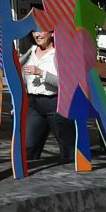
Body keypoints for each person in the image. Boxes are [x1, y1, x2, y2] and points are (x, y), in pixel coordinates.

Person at [20, 28, 73, 163]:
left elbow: (67, 83)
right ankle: (29, 179)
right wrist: (19, 103)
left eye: (41, 31)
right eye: (34, 31)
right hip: (34, 104)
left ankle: (75, 177)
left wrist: (42, 73)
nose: (37, 35)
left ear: (53, 33)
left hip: (55, 104)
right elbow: (19, 78)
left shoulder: (60, 53)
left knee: (67, 147)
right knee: (28, 146)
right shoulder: (30, 51)